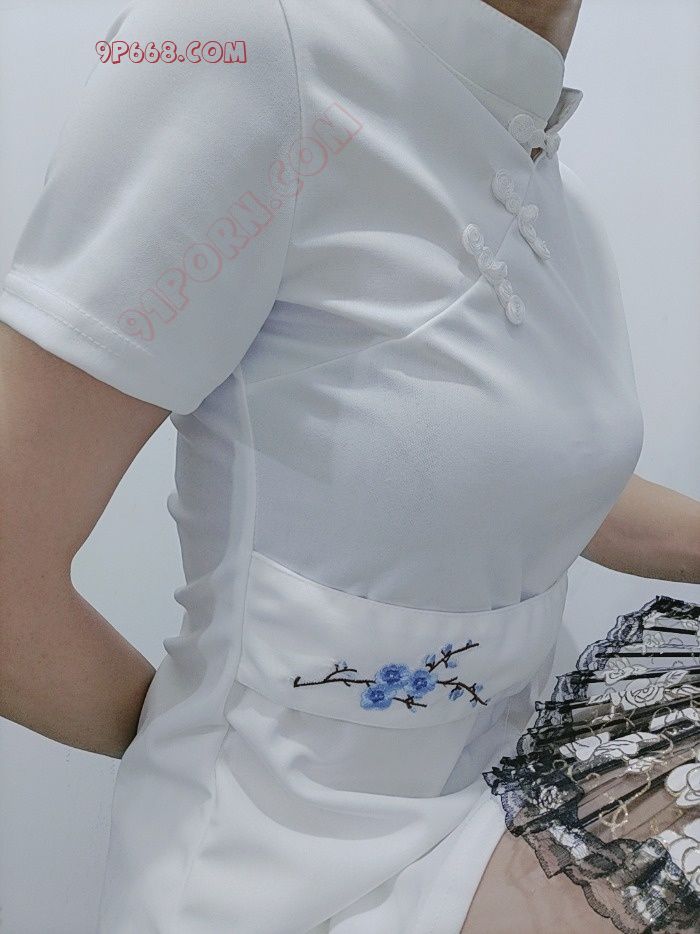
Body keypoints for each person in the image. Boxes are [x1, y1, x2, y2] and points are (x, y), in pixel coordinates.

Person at [0, 0, 697, 931]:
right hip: (292, 874)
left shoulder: (539, 170)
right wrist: (206, 753)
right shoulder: (250, 47)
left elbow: (531, 490)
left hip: (508, 788)